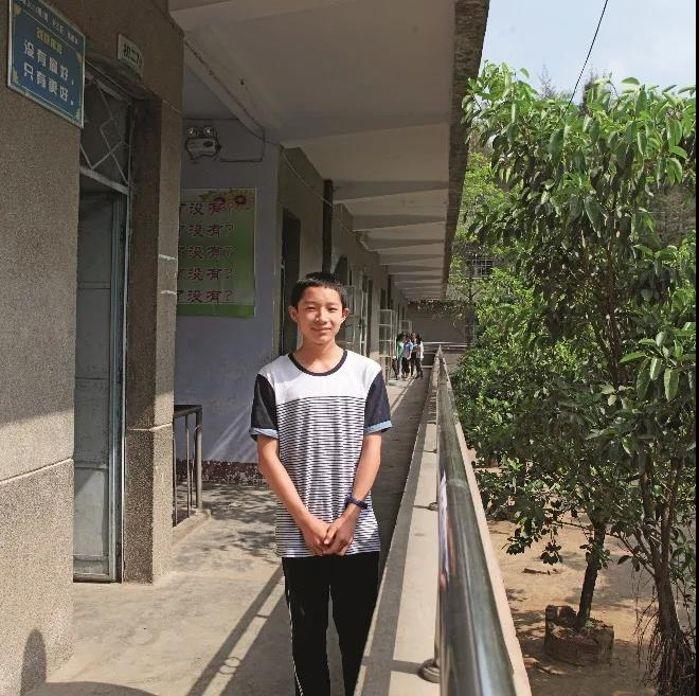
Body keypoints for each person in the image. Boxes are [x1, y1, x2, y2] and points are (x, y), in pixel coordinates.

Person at [250, 272, 392, 696]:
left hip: (357, 533)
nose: (321, 317)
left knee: (359, 636)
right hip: (300, 536)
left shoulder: (367, 373)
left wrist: (351, 515)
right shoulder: (272, 377)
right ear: (294, 314)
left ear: (345, 315)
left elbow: (373, 449)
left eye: (331, 309)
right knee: (306, 638)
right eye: (311, 308)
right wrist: (306, 521)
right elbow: (267, 457)